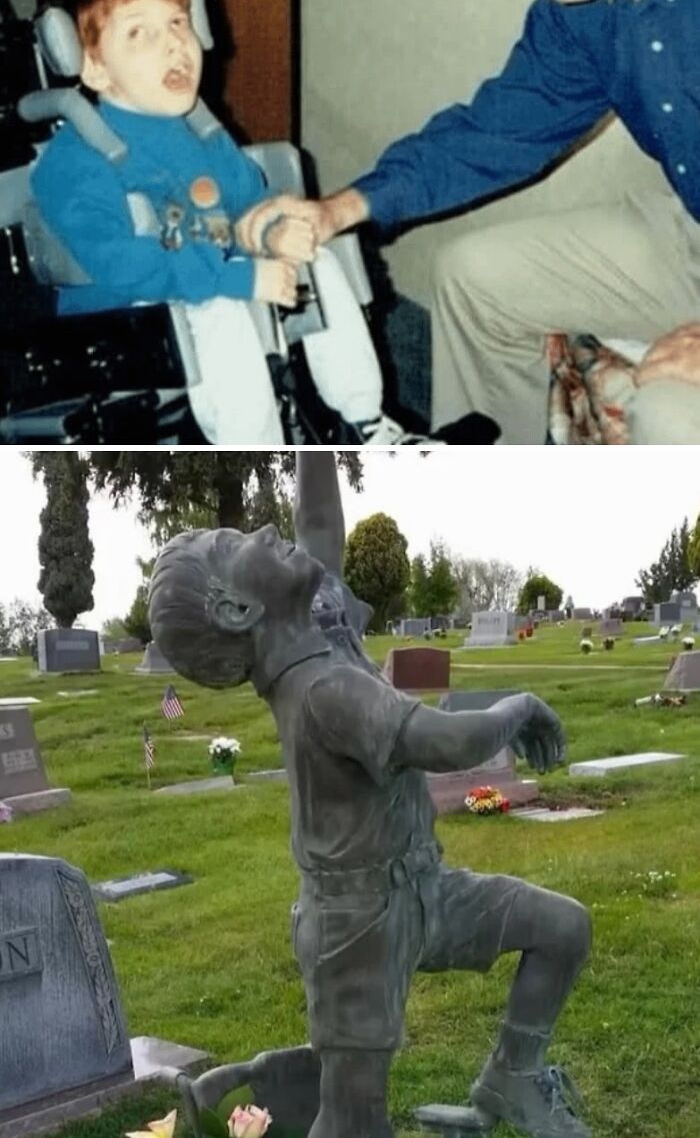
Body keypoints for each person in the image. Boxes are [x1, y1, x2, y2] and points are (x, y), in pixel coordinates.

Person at [149, 451, 592, 1138]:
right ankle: (272, 1090)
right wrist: (520, 705)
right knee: (354, 1122)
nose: (264, 528)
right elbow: (443, 743)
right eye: (237, 543)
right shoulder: (325, 691)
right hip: (354, 928)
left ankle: (511, 1077)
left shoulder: (319, 621)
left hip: (421, 887)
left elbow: (319, 520)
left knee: (562, 927)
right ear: (237, 607)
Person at [297, 0, 700, 445]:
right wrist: (343, 208)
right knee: (473, 276)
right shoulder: (583, 11)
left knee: (669, 416)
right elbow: (495, 130)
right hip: (690, 229)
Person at [29, 0, 430, 445]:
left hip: (207, 273)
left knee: (315, 257)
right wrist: (236, 277)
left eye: (178, 23)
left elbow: (247, 204)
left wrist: (271, 232)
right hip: (119, 319)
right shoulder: (76, 160)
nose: (174, 43)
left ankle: (367, 422)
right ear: (94, 67)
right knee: (218, 306)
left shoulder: (202, 134)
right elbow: (119, 265)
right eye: (141, 33)